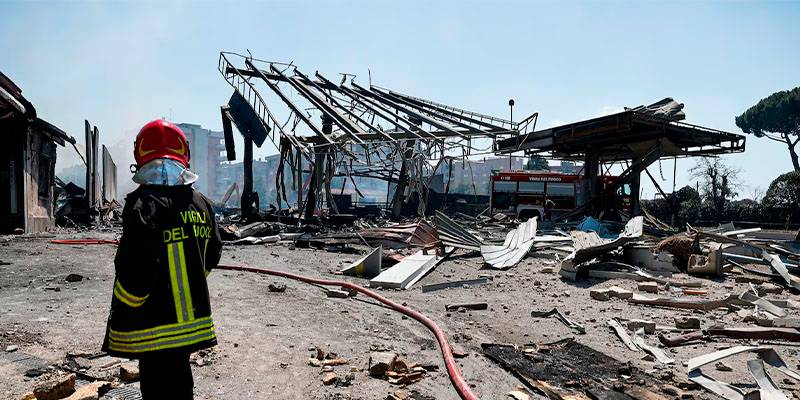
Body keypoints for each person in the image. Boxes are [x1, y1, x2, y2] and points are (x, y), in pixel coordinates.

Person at [102, 120, 222, 399]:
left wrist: (127, 305)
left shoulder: (143, 205)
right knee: (180, 383)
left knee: (157, 387)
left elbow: (135, 270)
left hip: (154, 325)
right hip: (192, 325)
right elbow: (212, 253)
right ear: (185, 155)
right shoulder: (201, 204)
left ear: (140, 157)